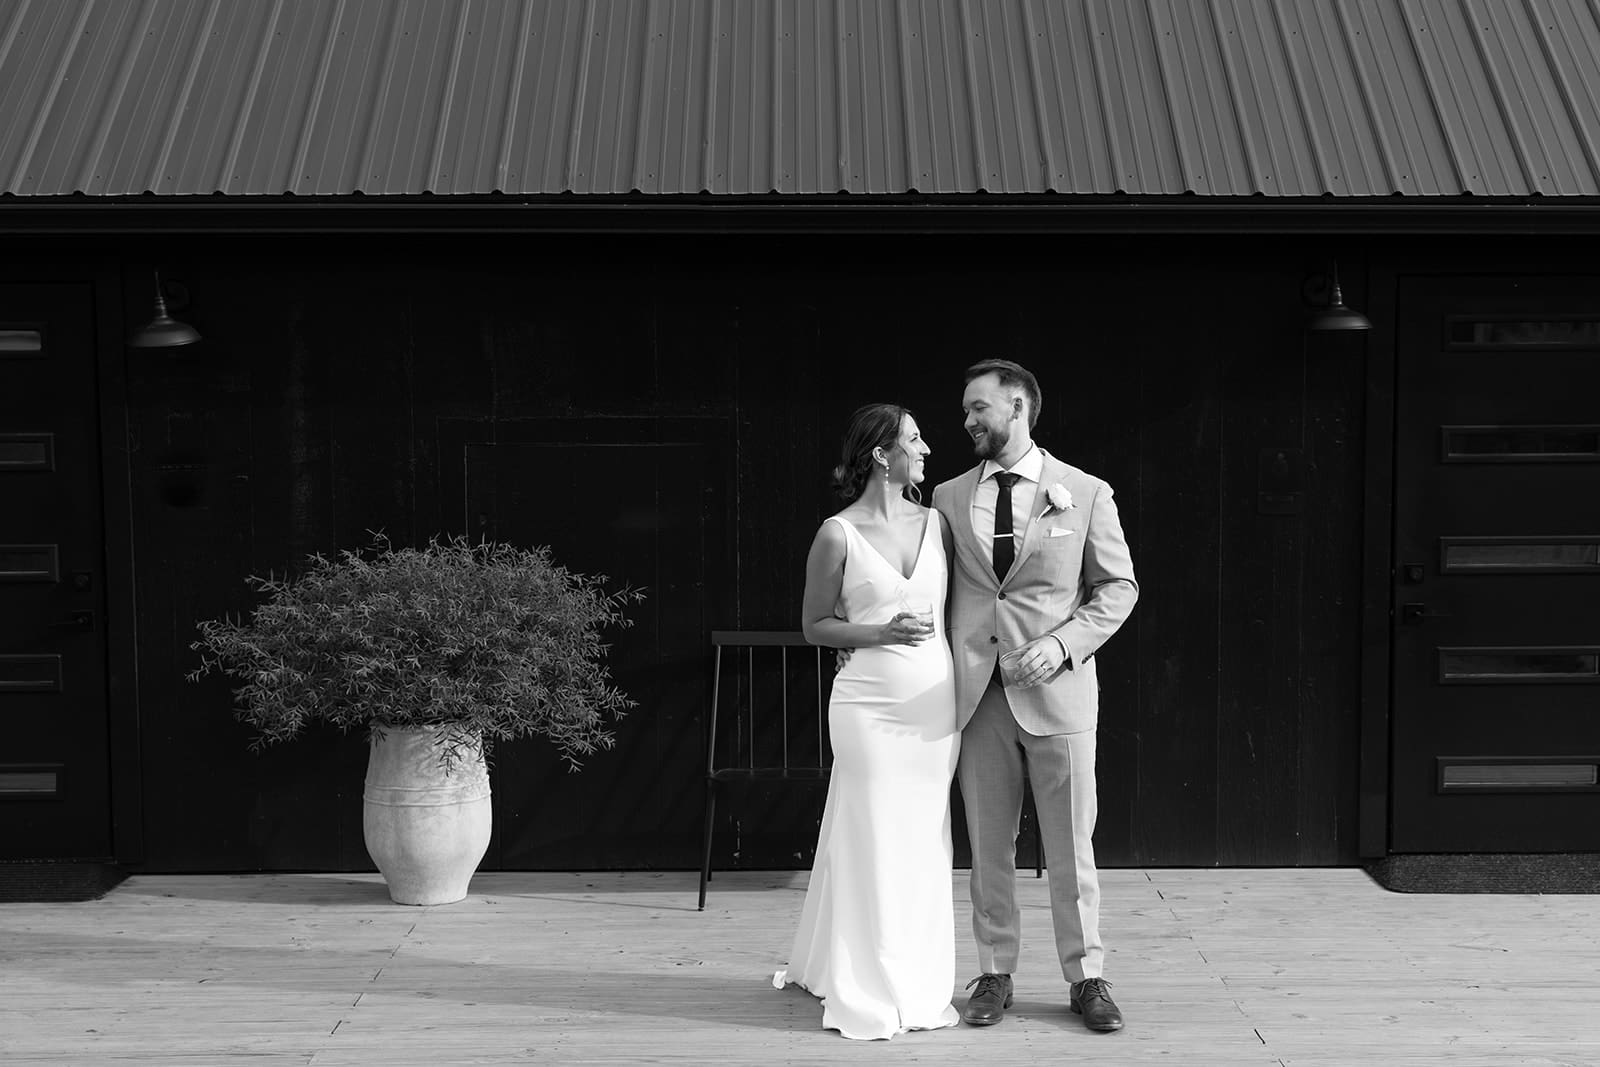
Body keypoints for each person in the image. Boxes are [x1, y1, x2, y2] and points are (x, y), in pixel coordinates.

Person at [931, 359, 1138, 1033]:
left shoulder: (1085, 491)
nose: (967, 421)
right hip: (978, 696)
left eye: (978, 408)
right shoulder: (947, 496)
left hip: (1060, 695)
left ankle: (1086, 977)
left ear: (1017, 407)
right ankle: (993, 969)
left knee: (1070, 844)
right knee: (988, 843)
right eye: (965, 410)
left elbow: (1118, 589)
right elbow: (928, 591)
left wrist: (1065, 643)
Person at [772, 403, 962, 1041]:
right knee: (874, 835)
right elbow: (814, 626)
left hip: (935, 708)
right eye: (915, 439)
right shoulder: (837, 534)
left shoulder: (939, 524)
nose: (928, 448)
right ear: (882, 455)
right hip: (868, 708)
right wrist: (878, 632)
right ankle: (872, 986)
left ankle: (919, 975)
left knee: (924, 839)